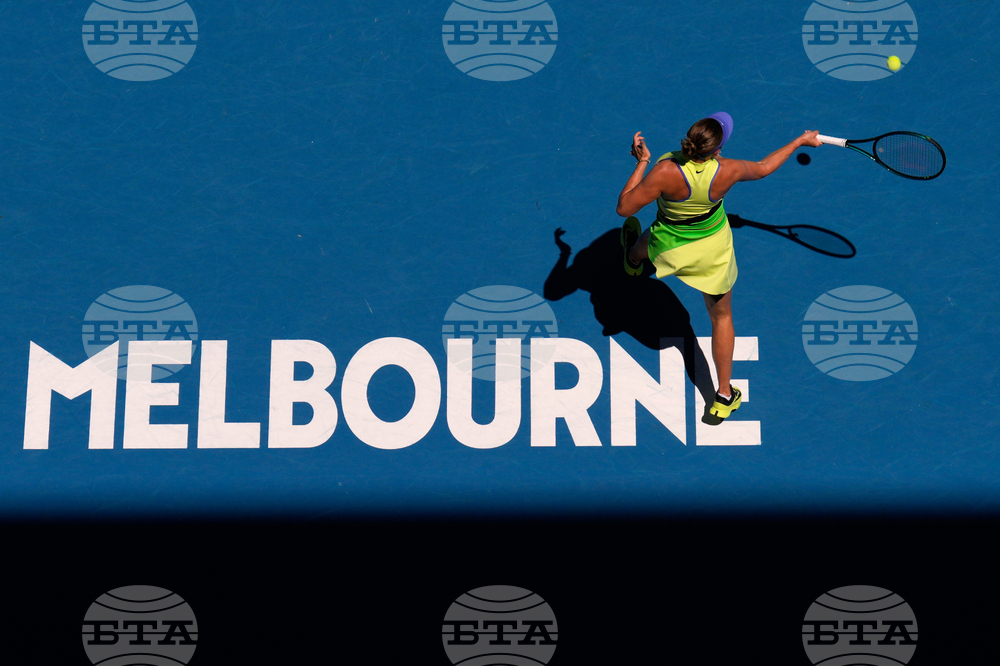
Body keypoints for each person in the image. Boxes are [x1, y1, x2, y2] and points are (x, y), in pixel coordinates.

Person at [616, 113, 821, 421]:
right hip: (712, 253)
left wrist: (642, 161)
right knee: (721, 317)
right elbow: (764, 168)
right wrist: (800, 141)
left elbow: (624, 207)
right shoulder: (729, 169)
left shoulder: (664, 170)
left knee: (651, 237)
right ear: (717, 150)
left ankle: (633, 260)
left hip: (671, 242)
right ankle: (724, 395)